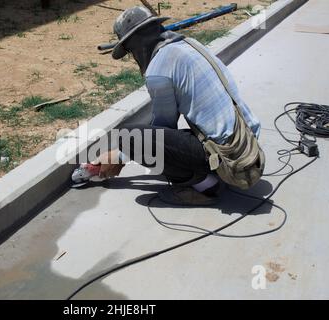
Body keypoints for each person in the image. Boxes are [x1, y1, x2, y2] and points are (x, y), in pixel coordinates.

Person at [95, 6, 261, 206]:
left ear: (136, 44)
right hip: (248, 141)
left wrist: (120, 155)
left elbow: (163, 127)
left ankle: (206, 187)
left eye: (130, 51)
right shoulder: (190, 44)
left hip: (231, 158)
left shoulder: (158, 69)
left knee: (128, 138)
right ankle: (207, 174)